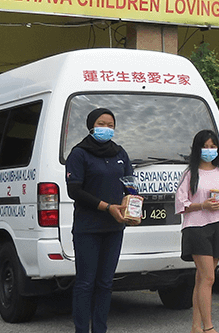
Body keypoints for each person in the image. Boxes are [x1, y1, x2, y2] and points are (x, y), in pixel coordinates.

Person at [65, 108, 137, 333]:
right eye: (101, 123)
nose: (106, 128)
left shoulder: (120, 153)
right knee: (86, 283)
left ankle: (100, 329)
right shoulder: (79, 153)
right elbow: (74, 190)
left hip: (114, 227)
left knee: (105, 283)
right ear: (91, 125)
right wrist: (107, 207)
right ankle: (81, 330)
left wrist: (132, 208)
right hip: (88, 228)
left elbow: (130, 185)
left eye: (110, 125)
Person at [176, 130, 219, 333]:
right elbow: (181, 203)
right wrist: (201, 205)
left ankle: (196, 326)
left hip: (217, 225)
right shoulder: (190, 174)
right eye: (205, 146)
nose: (209, 150)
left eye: (213, 146)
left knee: (202, 279)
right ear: (197, 148)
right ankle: (209, 327)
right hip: (196, 227)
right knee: (209, 277)